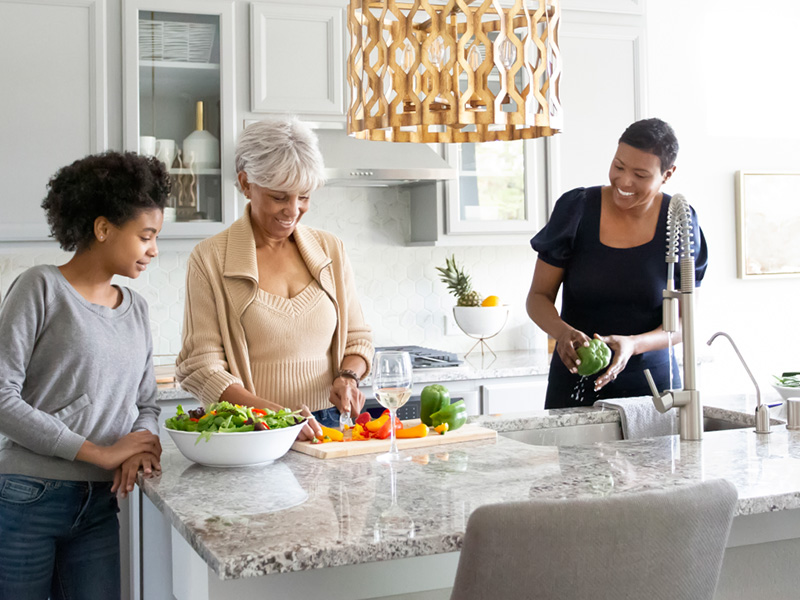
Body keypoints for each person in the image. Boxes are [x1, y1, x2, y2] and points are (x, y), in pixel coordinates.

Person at [0, 151, 166, 599]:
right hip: (29, 495)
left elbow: (147, 404)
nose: (154, 249)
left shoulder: (136, 309)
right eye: (146, 236)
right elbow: (1, 397)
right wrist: (100, 452)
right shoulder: (40, 287)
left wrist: (139, 446)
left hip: (98, 505)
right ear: (103, 228)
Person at [176, 117, 374, 441]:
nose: (293, 210)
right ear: (245, 184)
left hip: (329, 428)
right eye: (279, 197)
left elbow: (357, 338)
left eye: (304, 197)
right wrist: (279, 419)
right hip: (253, 429)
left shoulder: (330, 251)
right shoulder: (210, 259)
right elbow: (202, 368)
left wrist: (348, 377)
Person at [526, 118, 708, 409]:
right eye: (619, 166)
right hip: (575, 380)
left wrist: (633, 344)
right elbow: (538, 297)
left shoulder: (680, 222)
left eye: (640, 174)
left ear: (667, 174)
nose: (624, 181)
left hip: (652, 390)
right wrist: (562, 332)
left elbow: (685, 322)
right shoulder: (577, 209)